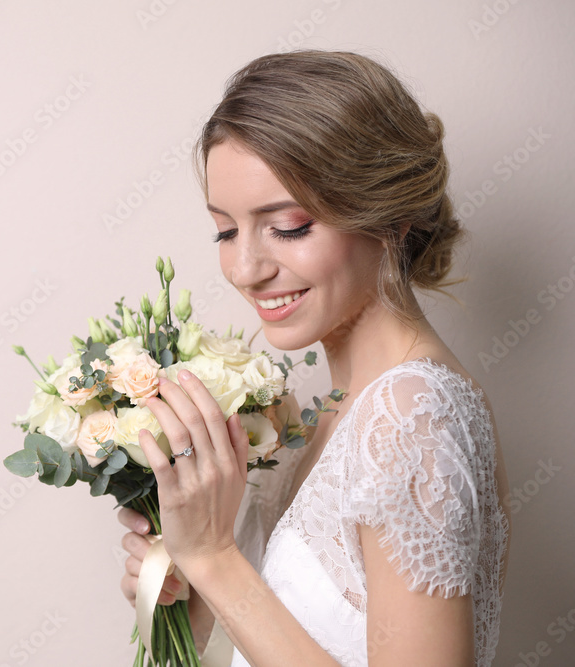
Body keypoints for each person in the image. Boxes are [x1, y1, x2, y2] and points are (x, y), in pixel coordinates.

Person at [117, 50, 512, 666]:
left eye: (290, 226)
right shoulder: (313, 418)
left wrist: (215, 560)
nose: (245, 269)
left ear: (391, 219)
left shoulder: (411, 416)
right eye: (226, 231)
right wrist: (189, 594)